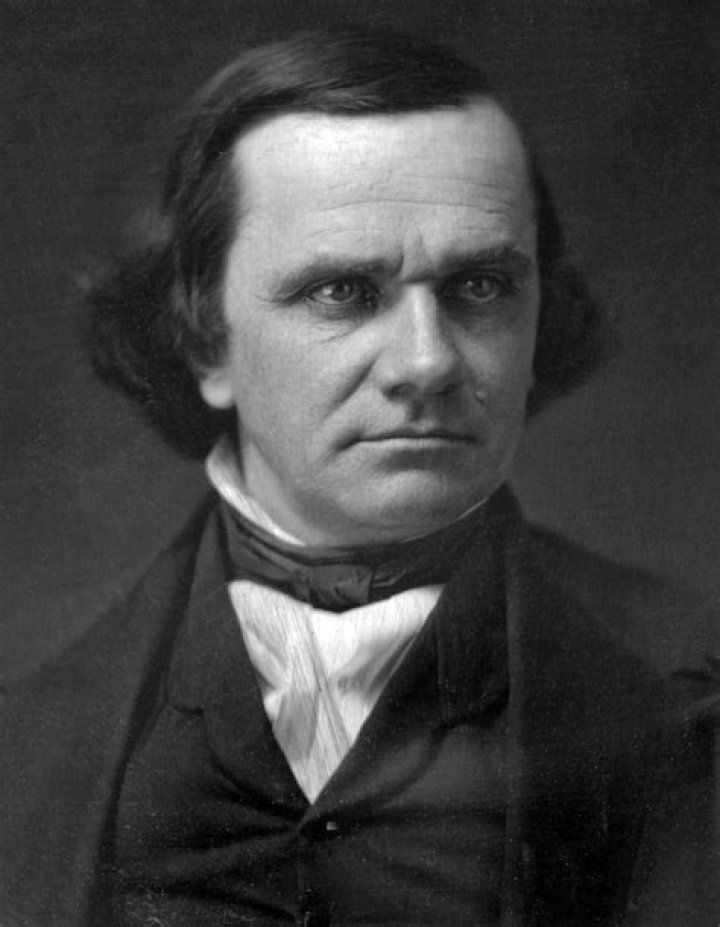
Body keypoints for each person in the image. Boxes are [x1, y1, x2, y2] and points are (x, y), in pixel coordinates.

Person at [0, 26, 717, 927]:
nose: (426, 362)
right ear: (205, 340)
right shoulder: (28, 717)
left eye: (480, 286)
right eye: (342, 291)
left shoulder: (689, 680)